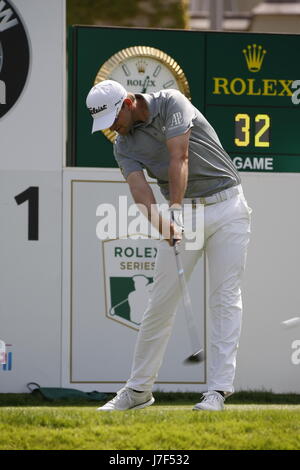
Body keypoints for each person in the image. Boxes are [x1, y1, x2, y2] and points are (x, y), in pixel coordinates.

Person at [86, 80, 252, 411]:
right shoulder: (122, 145)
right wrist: (165, 226)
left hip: (228, 206)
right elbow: (139, 190)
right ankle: (138, 391)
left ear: (129, 102)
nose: (113, 128)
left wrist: (174, 211)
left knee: (225, 299)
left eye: (114, 118)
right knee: (160, 302)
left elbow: (181, 156)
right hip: (184, 212)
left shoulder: (171, 102)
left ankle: (217, 392)